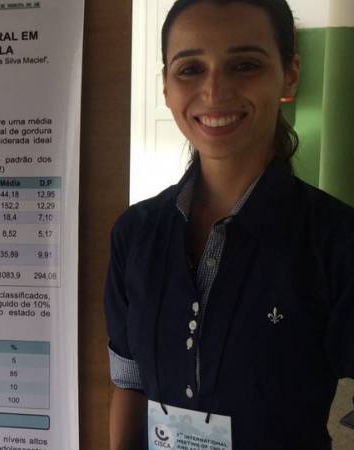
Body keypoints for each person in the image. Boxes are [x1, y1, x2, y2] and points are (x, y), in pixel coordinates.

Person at [104, 0, 354, 449]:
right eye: (190, 69)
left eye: (244, 65)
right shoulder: (135, 234)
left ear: (290, 75)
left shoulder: (336, 240)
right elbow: (129, 383)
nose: (215, 90)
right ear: (166, 87)